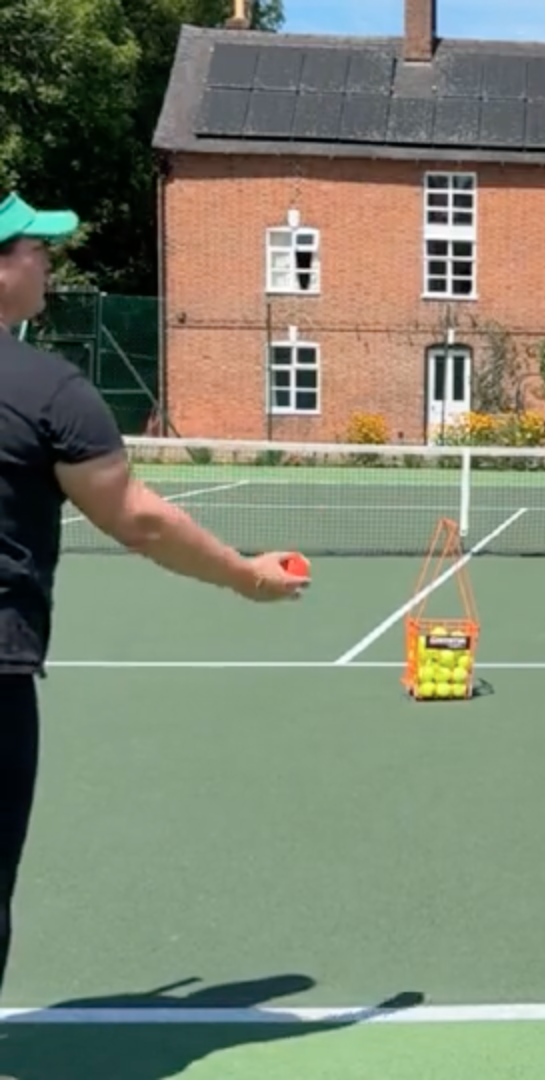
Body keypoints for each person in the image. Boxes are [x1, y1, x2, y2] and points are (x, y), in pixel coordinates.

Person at [0, 192, 309, 992]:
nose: (49, 262)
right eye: (35, 249)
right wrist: (247, 577)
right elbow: (137, 520)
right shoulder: (48, 391)